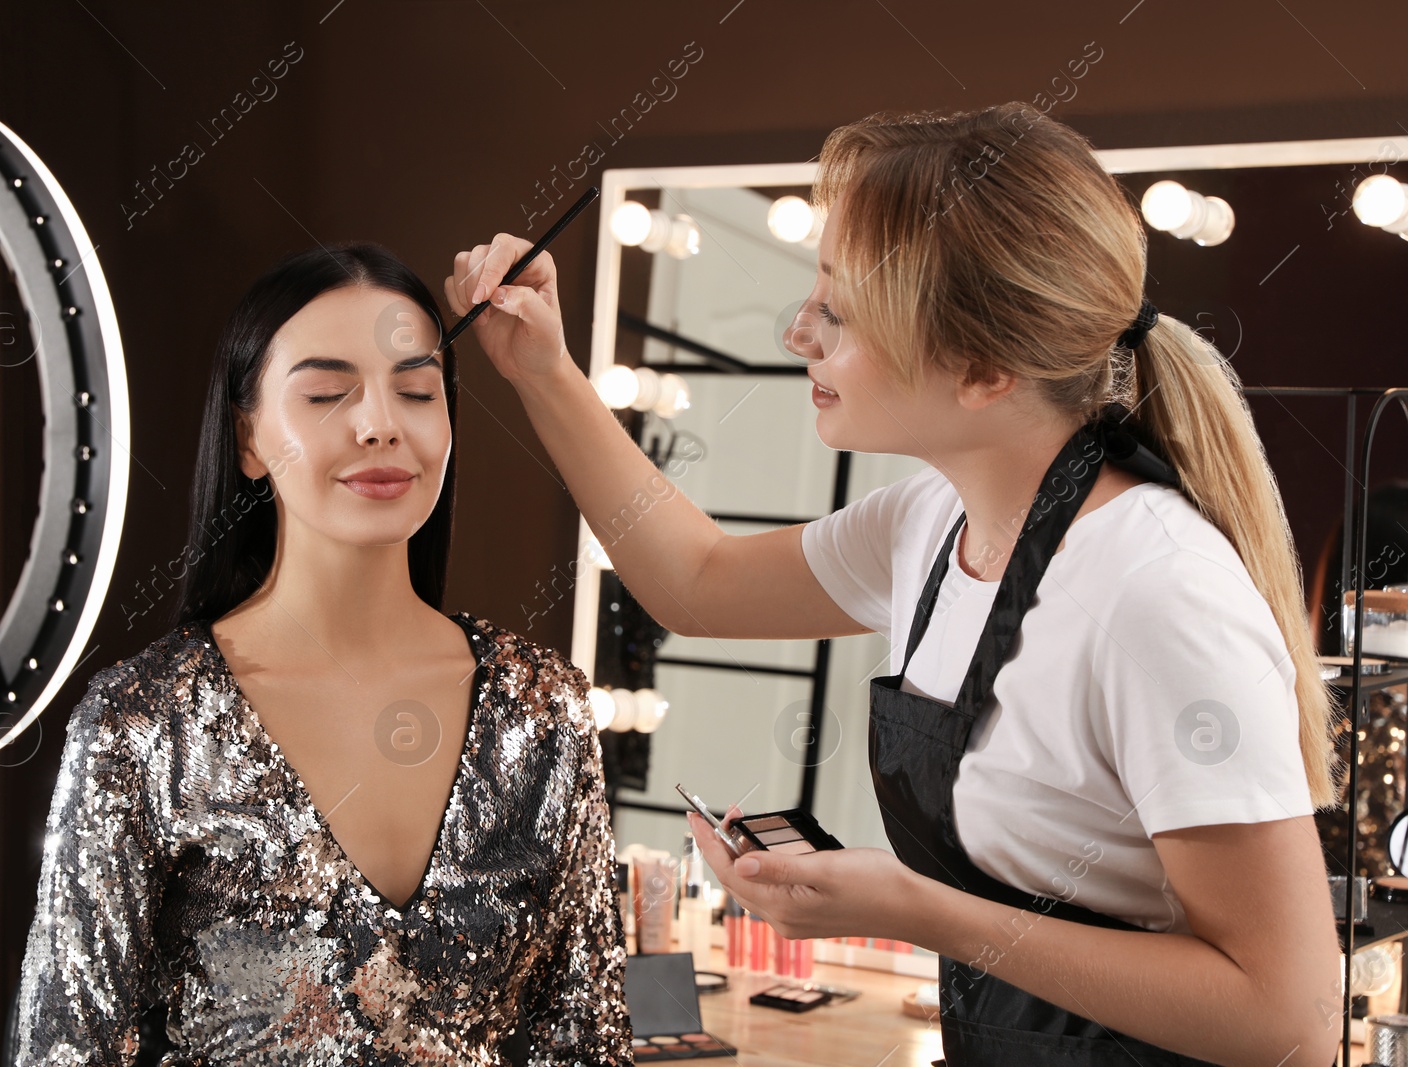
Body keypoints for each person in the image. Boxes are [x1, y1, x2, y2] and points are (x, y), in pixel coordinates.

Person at [446, 103, 1343, 1066]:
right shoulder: (931, 520)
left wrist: (918, 909)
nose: (798, 331)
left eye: (838, 310)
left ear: (985, 368)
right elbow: (696, 581)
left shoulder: (1157, 595)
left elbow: (1283, 1018)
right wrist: (543, 369)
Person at [11, 243, 632, 1066]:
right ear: (248, 437)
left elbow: (589, 1040)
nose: (380, 423)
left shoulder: (541, 708)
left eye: (416, 389)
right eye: (327, 392)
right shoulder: (144, 723)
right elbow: (65, 1047)